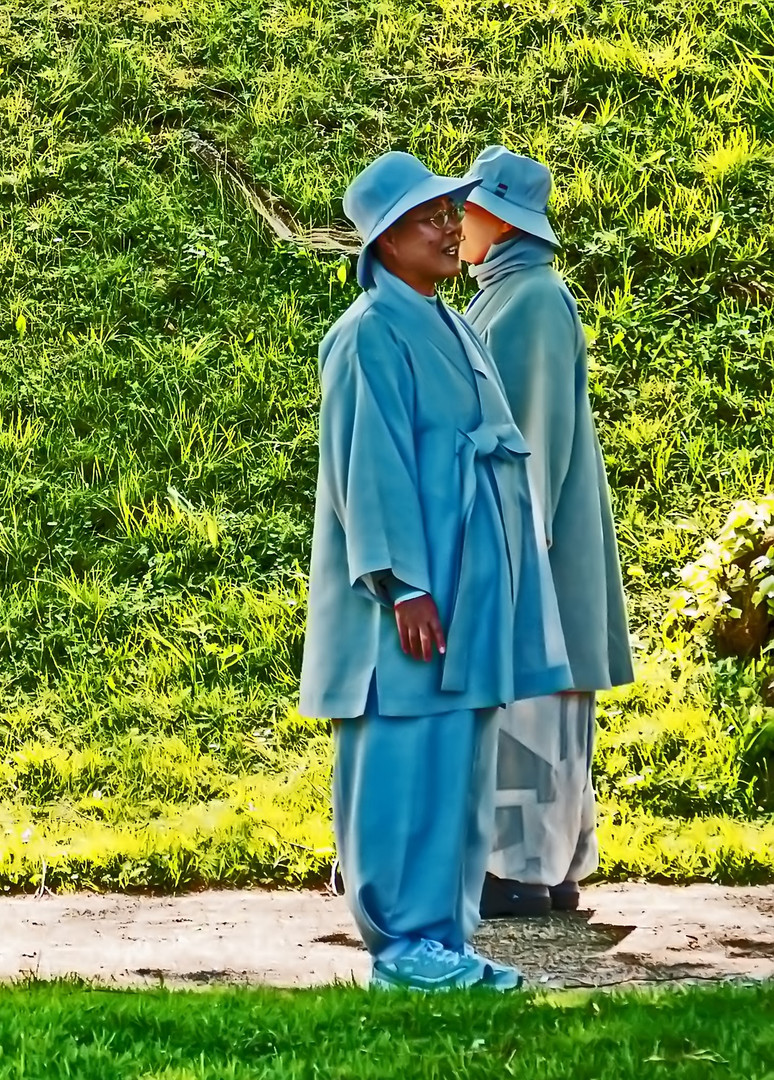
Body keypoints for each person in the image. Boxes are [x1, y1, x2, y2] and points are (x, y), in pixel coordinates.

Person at [301, 151, 572, 990]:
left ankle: (446, 938)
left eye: (454, 213)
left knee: (459, 767)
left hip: (472, 587)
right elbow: (367, 470)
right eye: (432, 219)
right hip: (412, 599)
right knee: (401, 760)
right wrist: (403, 585)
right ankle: (402, 943)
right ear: (385, 240)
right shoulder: (366, 335)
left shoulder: (449, 321)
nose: (453, 228)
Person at [459, 146, 634, 918]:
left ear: (497, 219)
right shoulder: (515, 294)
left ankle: (522, 869)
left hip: (535, 549)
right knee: (539, 706)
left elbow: (533, 431)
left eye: (465, 209)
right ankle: (547, 866)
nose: (455, 223)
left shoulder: (530, 299)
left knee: (531, 703)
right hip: (536, 546)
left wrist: (514, 545)